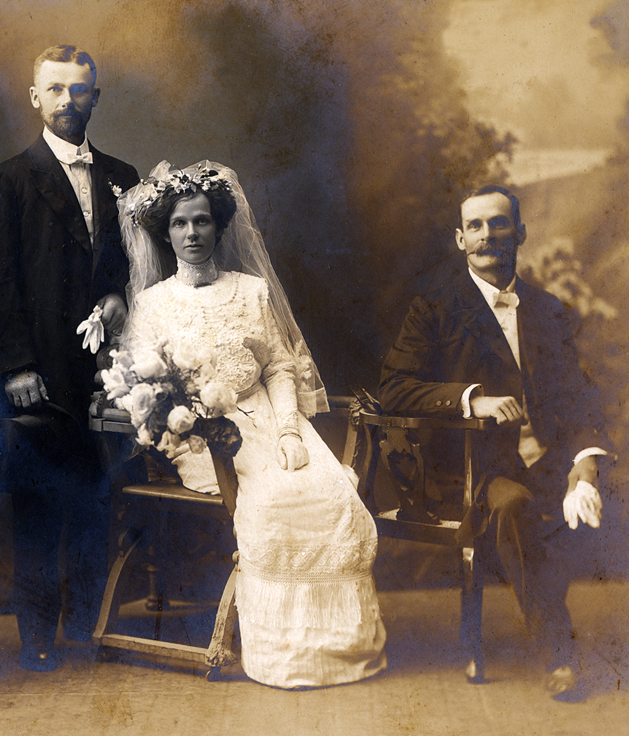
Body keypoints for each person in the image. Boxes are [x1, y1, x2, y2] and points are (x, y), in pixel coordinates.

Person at [120, 160, 387, 689]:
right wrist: (185, 425)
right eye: (180, 223)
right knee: (268, 504)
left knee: (333, 495)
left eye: (201, 221)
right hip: (198, 435)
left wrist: (290, 429)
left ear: (219, 226)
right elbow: (144, 390)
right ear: (165, 232)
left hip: (268, 417)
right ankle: (279, 653)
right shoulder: (151, 304)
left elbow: (278, 366)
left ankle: (340, 651)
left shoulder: (251, 291)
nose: (192, 233)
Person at [378, 185, 614, 699]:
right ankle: (560, 654)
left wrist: (586, 463)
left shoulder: (548, 309)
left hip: (548, 459)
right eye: (477, 226)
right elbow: (394, 388)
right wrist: (470, 400)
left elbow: (579, 394)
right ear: (461, 240)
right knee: (514, 507)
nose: (488, 235)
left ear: (520, 233)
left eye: (500, 224)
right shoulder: (434, 306)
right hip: (474, 470)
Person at [0, 45, 139, 671]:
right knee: (39, 507)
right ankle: (38, 634)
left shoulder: (125, 176)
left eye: (81, 89)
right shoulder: (11, 179)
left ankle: (89, 626)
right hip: (38, 368)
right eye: (57, 89)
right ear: (36, 97)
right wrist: (14, 367)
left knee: (98, 499)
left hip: (107, 372)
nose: (69, 100)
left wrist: (120, 294)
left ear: (96, 96)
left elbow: (133, 265)